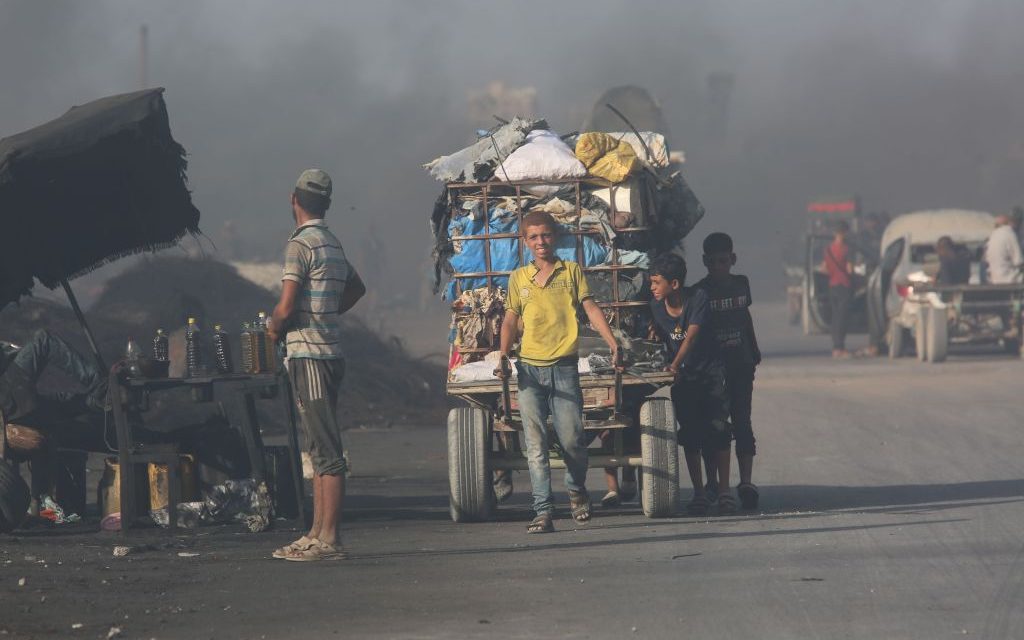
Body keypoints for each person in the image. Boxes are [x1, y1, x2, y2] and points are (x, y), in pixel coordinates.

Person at [496, 211, 620, 534]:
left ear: (555, 237)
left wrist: (612, 342)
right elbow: (510, 319)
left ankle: (576, 489)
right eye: (533, 237)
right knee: (535, 445)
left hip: (564, 369)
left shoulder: (571, 271)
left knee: (573, 440)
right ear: (525, 242)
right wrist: (503, 354)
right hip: (529, 371)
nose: (541, 242)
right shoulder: (518, 278)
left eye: (546, 235)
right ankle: (543, 511)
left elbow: (590, 308)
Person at [268, 169, 366, 561]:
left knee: (325, 448)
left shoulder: (300, 244)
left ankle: (330, 539)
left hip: (310, 355)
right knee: (317, 445)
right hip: (331, 352)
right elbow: (357, 287)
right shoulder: (331, 243)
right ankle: (315, 532)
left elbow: (286, 306)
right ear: (326, 204)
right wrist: (327, 312)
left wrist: (272, 329)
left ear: (294, 200)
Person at [648, 253, 735, 516]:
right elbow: (657, 337)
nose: (652, 287)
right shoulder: (655, 307)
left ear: (674, 284)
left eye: (656, 282)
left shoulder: (698, 299)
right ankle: (699, 492)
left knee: (718, 430)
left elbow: (691, 338)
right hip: (684, 379)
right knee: (690, 434)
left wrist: (674, 365)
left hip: (710, 373)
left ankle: (724, 491)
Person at [696, 233, 762, 510]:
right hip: (712, 369)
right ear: (705, 262)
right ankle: (713, 481)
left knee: (742, 421)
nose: (718, 267)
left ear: (732, 259)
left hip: (741, 364)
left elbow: (746, 317)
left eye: (723, 261)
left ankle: (746, 482)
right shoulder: (699, 292)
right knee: (715, 426)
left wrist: (753, 349)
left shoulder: (741, 284)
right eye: (713, 262)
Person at [0, 330, 108, 426]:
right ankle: (103, 386)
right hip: (6, 400)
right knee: (44, 341)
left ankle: (100, 401)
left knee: (63, 402)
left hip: (11, 415)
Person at [822, 221, 853, 358]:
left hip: (832, 285)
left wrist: (832, 272)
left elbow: (824, 268)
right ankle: (840, 347)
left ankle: (835, 347)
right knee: (842, 318)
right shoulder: (846, 249)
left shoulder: (828, 249)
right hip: (844, 285)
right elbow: (850, 269)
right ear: (844, 233)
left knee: (835, 318)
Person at [984, 214, 1023, 284]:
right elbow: (1019, 261)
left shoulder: (993, 235)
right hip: (1010, 279)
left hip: (994, 279)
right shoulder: (1009, 233)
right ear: (1010, 223)